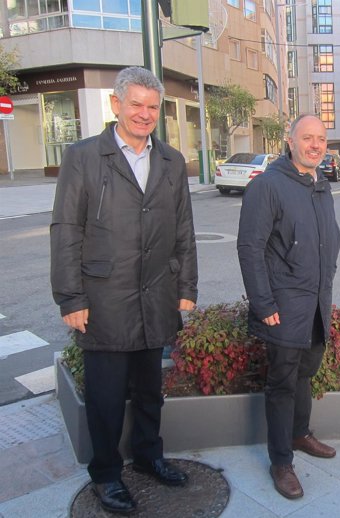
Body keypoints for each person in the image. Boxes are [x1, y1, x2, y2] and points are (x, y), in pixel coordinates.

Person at [50, 66, 198, 514]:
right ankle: (106, 474)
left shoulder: (171, 160)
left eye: (153, 107)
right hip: (104, 300)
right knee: (106, 398)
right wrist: (70, 298)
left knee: (151, 389)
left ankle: (150, 456)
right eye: (136, 104)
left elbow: (184, 231)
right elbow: (65, 230)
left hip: (156, 294)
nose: (145, 114)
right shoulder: (83, 157)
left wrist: (186, 286)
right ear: (116, 105)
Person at [237, 114, 340, 500]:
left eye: (321, 139)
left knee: (304, 375)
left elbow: (328, 239)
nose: (315, 145)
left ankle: (300, 434)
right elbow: (250, 248)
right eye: (307, 138)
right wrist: (263, 303)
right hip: (282, 306)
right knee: (281, 383)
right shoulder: (268, 185)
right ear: (290, 140)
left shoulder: (320, 184)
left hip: (315, 303)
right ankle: (281, 461)